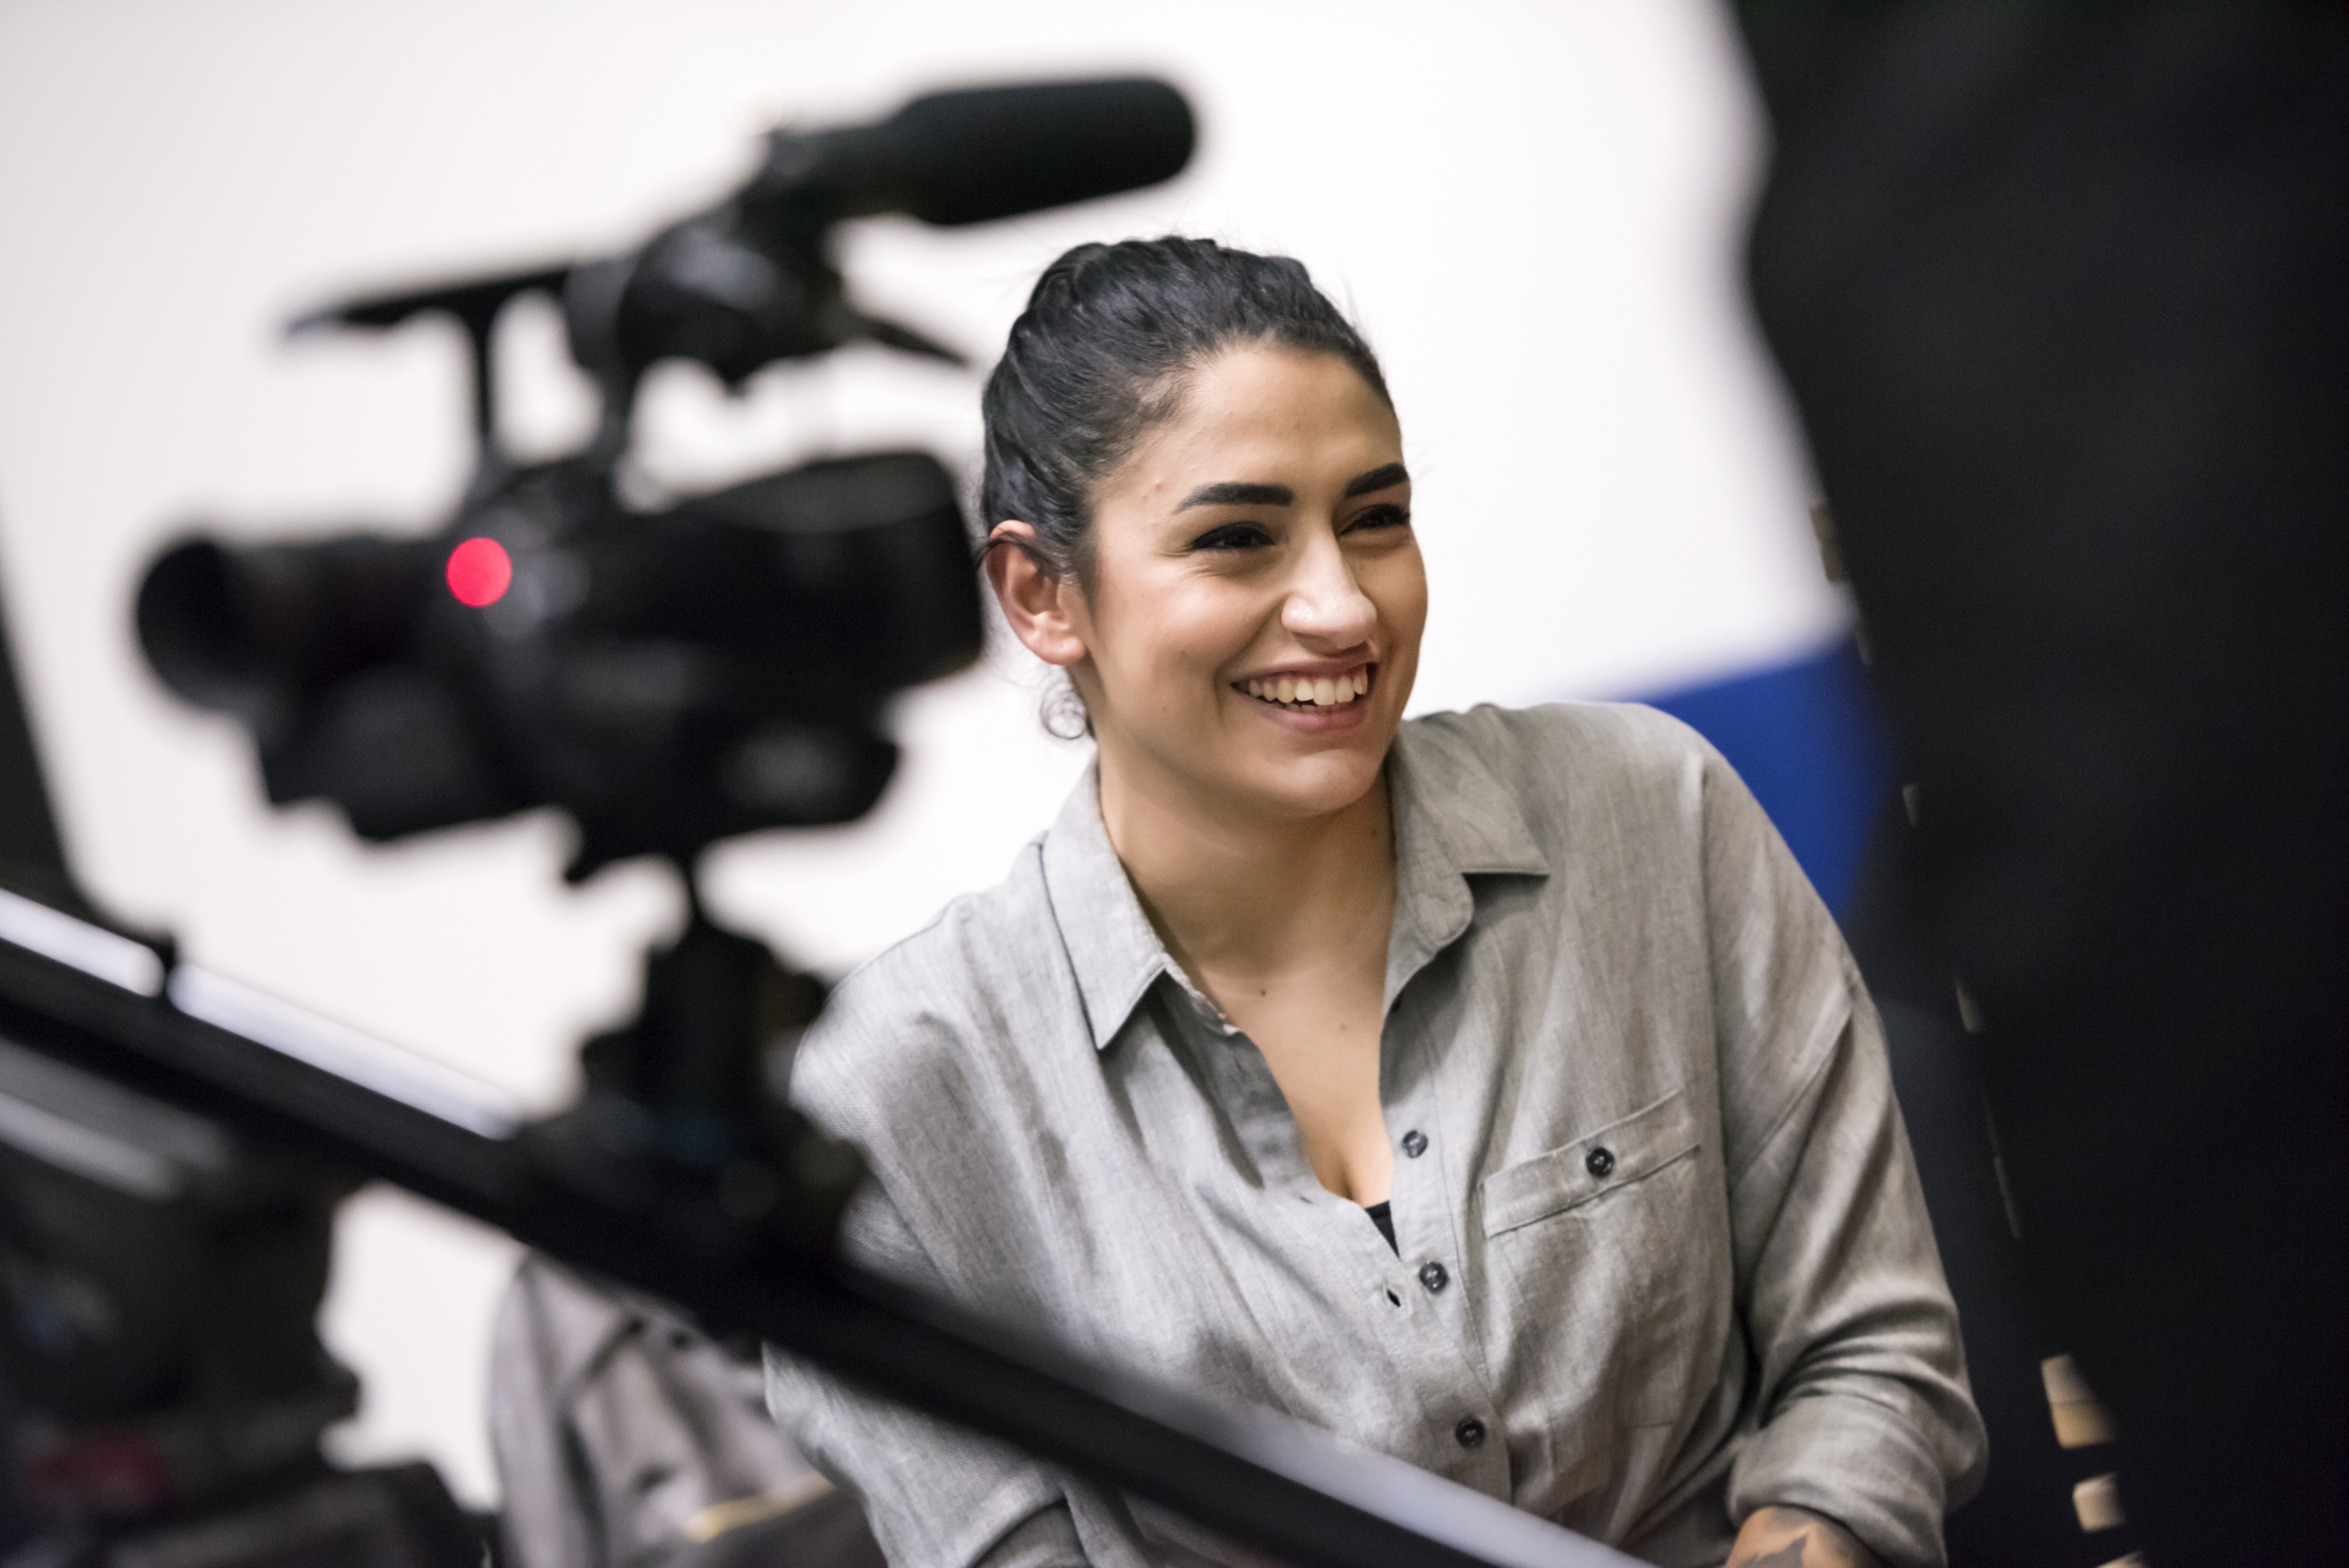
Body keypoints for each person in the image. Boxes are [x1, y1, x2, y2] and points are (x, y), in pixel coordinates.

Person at [764, 237, 1984, 1568]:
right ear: (1042, 594)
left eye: (1376, 518)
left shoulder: (1650, 811)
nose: (1342, 605)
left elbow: (1873, 1350)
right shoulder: (895, 1095)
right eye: (1237, 538)